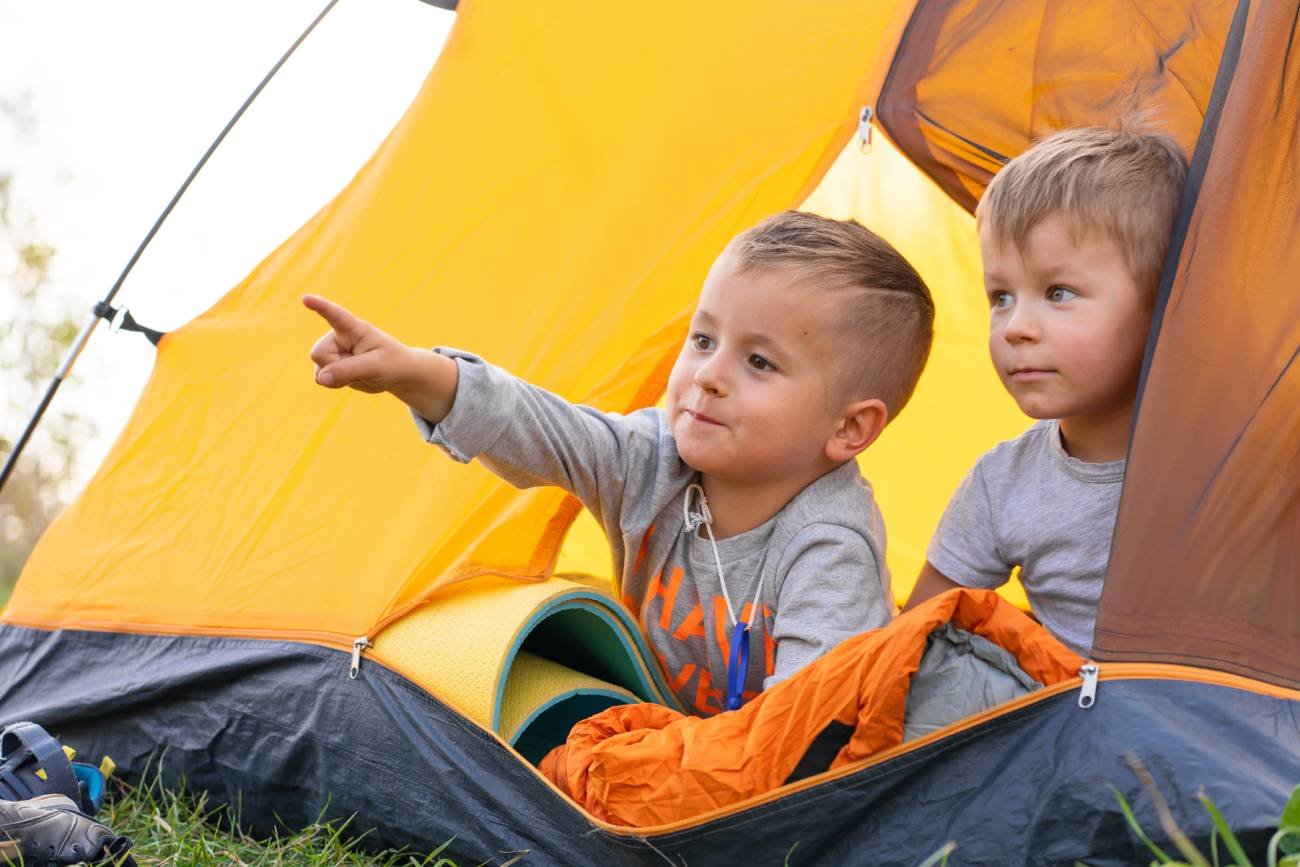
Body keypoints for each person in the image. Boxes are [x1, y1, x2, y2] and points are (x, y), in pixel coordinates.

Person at [306, 210, 935, 715]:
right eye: (704, 339)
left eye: (759, 362)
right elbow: (544, 428)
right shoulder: (654, 461)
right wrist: (412, 373)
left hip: (761, 764)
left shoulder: (829, 548)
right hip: (663, 722)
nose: (708, 377)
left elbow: (808, 725)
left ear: (849, 427)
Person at [903, 127, 1188, 658]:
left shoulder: (1232, 456)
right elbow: (911, 638)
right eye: (1001, 296)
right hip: (1077, 721)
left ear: (1165, 302)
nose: (1014, 327)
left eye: (1058, 292)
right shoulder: (1004, 484)